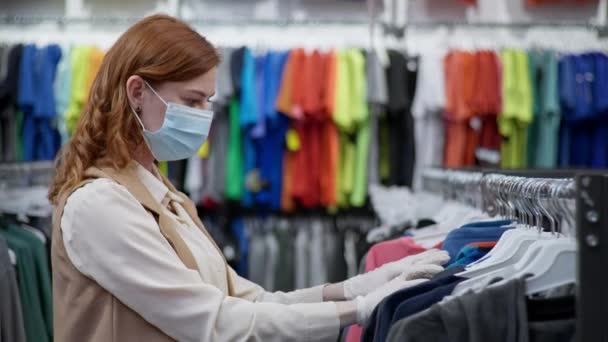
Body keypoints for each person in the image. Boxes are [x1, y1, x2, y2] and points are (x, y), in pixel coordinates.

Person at [47, 14, 449, 342]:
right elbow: (217, 321)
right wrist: (358, 310)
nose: (204, 115)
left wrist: (351, 289)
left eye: (208, 101)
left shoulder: (163, 193)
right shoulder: (99, 205)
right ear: (137, 92)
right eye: (192, 101)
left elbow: (245, 297)